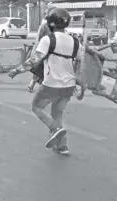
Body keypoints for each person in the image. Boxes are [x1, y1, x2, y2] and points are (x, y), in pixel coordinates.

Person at [8, 8, 81, 155]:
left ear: (51, 22)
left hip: (52, 84)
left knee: (36, 107)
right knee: (57, 113)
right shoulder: (75, 41)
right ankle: (62, 146)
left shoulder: (48, 39)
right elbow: (79, 62)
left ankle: (55, 129)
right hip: (69, 85)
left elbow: (34, 60)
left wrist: (16, 71)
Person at [27, 5, 57, 92]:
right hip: (43, 50)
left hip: (53, 50)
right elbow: (38, 39)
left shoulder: (57, 27)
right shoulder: (44, 26)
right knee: (41, 67)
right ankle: (33, 83)